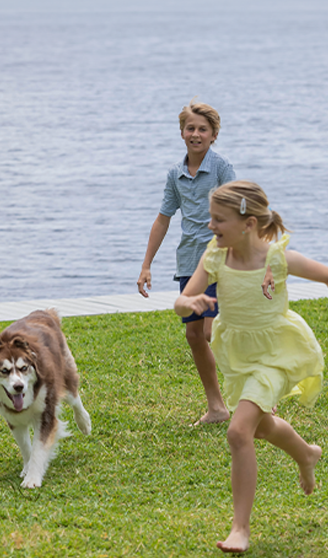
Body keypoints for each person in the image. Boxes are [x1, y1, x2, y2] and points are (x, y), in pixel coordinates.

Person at [174, 180, 328, 553]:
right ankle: (306, 454)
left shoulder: (277, 258)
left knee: (238, 431)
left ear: (247, 223)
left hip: (276, 352)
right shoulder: (214, 255)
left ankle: (240, 529)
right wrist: (189, 303)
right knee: (260, 428)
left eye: (218, 219)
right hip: (238, 353)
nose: (211, 226)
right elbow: (181, 302)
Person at [137, 99, 235, 425]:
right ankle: (218, 408)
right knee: (195, 336)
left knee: (214, 332)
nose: (196, 134)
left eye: (202, 129)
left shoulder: (221, 169)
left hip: (221, 260)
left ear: (213, 135)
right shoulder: (174, 175)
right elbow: (162, 220)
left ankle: (259, 398)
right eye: (190, 128)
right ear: (181, 132)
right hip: (188, 265)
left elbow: (242, 211)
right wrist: (146, 264)